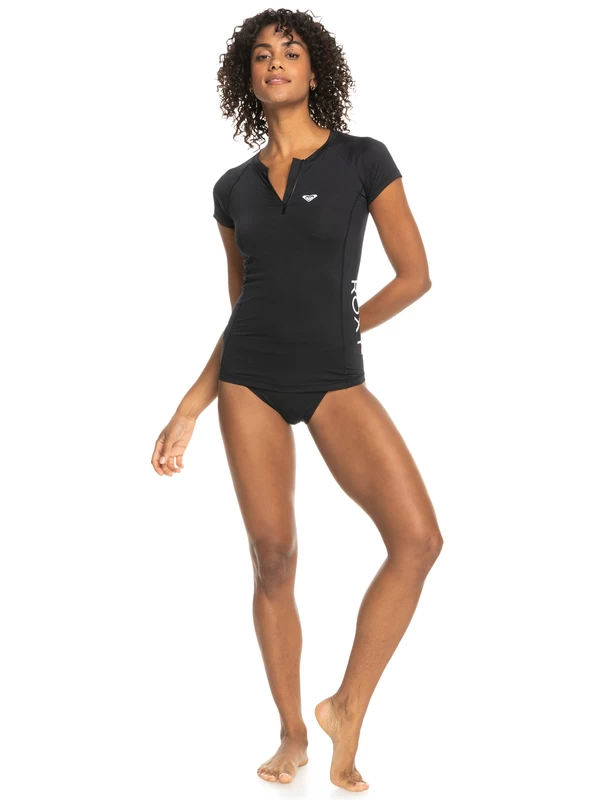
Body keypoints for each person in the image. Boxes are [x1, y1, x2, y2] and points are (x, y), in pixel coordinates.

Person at [151, 9, 443, 793]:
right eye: (261, 54)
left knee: (418, 540)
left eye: (291, 51)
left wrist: (348, 323)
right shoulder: (232, 189)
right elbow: (243, 305)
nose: (275, 62)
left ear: (316, 72)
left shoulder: (362, 159)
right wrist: (191, 405)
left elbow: (416, 276)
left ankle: (346, 707)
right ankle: (291, 732)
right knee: (273, 557)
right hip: (248, 378)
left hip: (334, 377)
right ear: (246, 77)